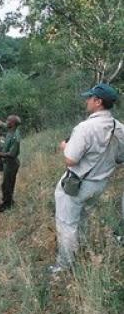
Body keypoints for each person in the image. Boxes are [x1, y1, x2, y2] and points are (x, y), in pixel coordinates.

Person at [51, 83, 124, 274]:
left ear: (98, 102)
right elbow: (120, 158)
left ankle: (65, 265)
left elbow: (70, 160)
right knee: (82, 219)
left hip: (77, 185)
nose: (87, 101)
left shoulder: (85, 128)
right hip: (99, 185)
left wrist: (64, 146)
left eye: (89, 98)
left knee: (67, 224)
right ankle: (79, 250)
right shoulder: (120, 128)